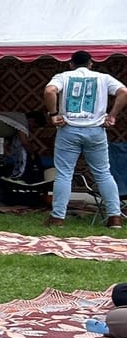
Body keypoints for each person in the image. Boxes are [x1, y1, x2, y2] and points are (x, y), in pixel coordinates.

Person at [43, 50, 126, 227]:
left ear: (71, 64)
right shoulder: (103, 78)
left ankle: (58, 217)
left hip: (68, 130)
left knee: (64, 174)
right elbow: (124, 92)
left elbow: (50, 91)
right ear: (91, 64)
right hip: (95, 130)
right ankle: (114, 216)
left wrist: (54, 114)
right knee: (103, 173)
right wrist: (112, 116)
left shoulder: (63, 76)